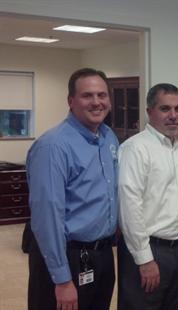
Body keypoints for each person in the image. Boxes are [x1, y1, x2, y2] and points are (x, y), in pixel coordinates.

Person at [26, 68, 118, 310]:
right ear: (71, 101)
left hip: (102, 255)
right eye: (87, 95)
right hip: (66, 256)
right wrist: (62, 279)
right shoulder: (53, 146)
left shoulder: (109, 138)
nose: (97, 102)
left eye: (102, 95)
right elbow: (46, 217)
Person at [117, 83, 178, 309]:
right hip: (149, 250)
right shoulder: (136, 148)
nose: (173, 115)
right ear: (149, 111)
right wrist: (145, 259)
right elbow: (129, 205)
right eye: (165, 109)